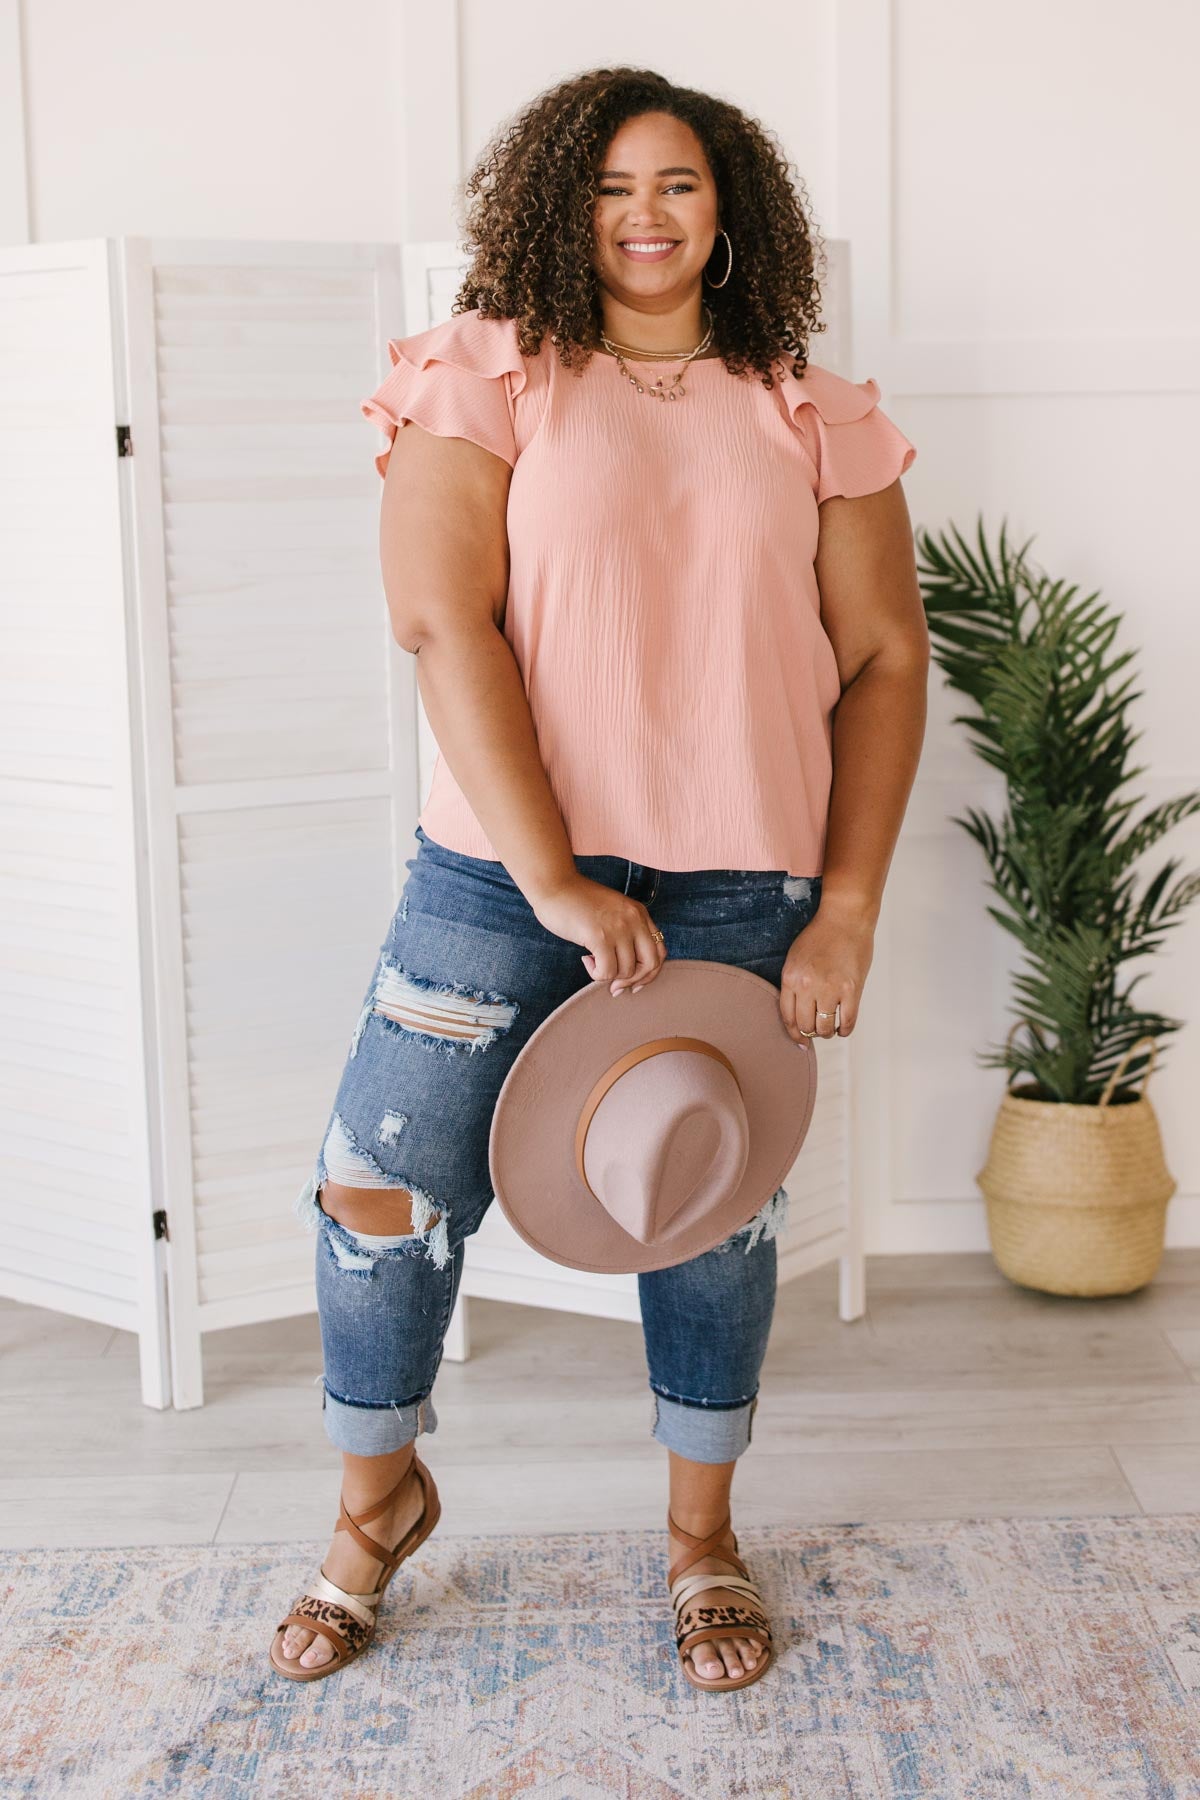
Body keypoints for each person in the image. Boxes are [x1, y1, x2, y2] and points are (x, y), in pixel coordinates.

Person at [269, 64, 928, 1692]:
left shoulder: (812, 411)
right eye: (613, 185)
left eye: (679, 183)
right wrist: (557, 877)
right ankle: (374, 1505)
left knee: (707, 1214)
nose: (645, 214)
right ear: (559, 204)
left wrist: (847, 909)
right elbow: (441, 620)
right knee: (379, 1190)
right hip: (499, 877)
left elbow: (887, 662)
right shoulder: (487, 371)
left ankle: (703, 1541)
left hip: (740, 888)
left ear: (730, 210)